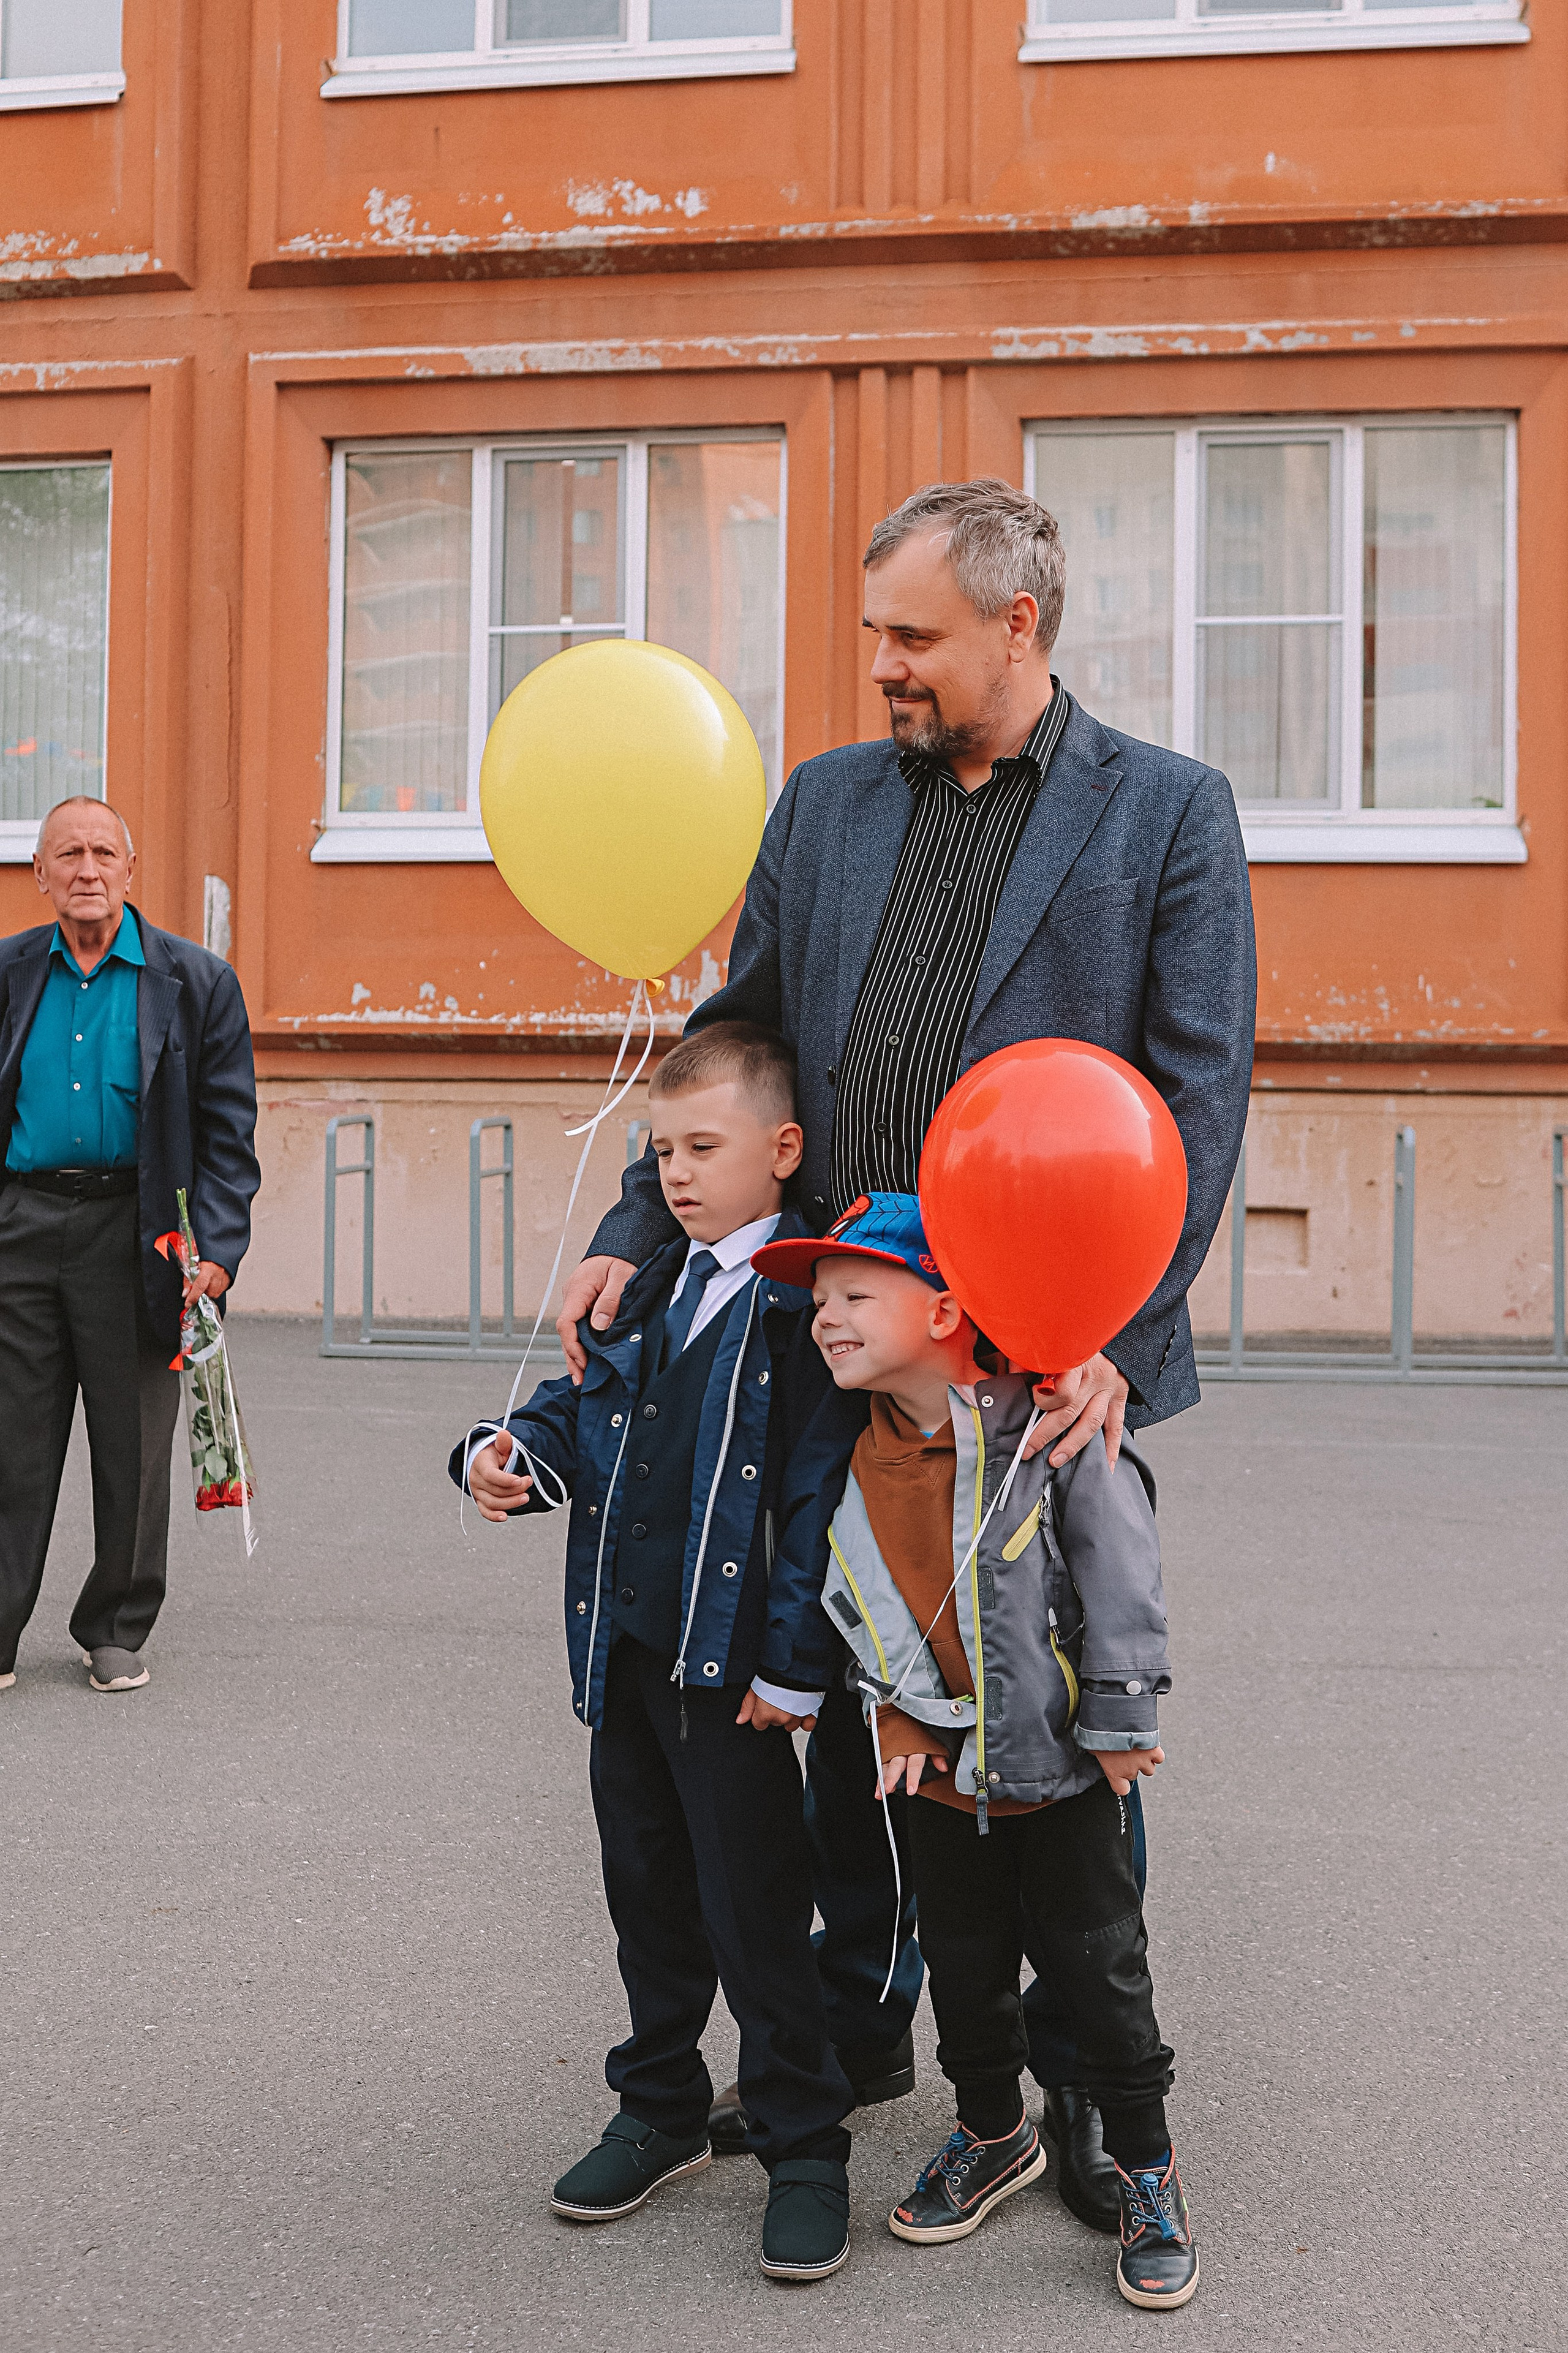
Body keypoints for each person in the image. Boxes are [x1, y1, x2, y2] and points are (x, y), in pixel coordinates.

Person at [556, 477, 1257, 2221]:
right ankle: (876, 2026)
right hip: (824, 1327)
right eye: (876, 630)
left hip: (1030, 1374)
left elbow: (1196, 1093)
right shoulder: (825, 806)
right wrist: (641, 1231)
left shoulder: (1164, 813)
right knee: (842, 1710)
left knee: (1054, 1728)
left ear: (1020, 625)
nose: (880, 665)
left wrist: (1112, 1329)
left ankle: (1093, 2087)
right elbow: (747, 1038)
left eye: (912, 635)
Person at [450, 1023, 863, 2284]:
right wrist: (509, 1453)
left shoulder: (802, 1313)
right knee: (645, 1889)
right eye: (659, 1151)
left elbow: (813, 1506)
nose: (675, 1174)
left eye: (702, 1146)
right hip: (625, 1655)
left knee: (754, 1910)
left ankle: (803, 2145)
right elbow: (573, 1408)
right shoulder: (645, 1284)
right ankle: (661, 2102)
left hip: (732, 1680)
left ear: (780, 1151)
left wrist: (792, 1667)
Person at [753, 1193, 1196, 2310]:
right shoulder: (862, 1459)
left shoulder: (1046, 1426)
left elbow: (1119, 1567)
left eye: (856, 1295)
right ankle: (993, 2131)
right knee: (964, 1965)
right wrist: (898, 1718)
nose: (827, 1318)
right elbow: (865, 1605)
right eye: (818, 1302)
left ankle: (1149, 2167)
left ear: (947, 1306)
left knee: (1101, 1971)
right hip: (940, 1782)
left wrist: (1123, 1718)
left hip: (1065, 1771)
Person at [0, 798, 260, 1696]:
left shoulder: (197, 981)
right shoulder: (8, 971)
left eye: (102, 851)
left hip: (139, 1230)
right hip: (21, 1227)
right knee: (12, 1440)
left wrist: (217, 1249)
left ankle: (114, 1625)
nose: (86, 867)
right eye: (66, 852)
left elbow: (230, 1133)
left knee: (134, 1444)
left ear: (130, 866)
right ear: (39, 874)